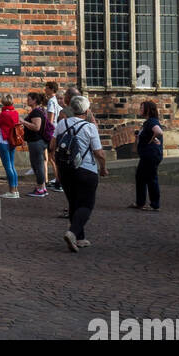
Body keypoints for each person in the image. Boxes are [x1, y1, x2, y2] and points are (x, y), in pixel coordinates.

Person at [54, 94, 107, 251]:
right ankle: (72, 233)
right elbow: (99, 153)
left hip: (66, 169)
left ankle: (80, 238)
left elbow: (53, 145)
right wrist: (103, 167)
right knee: (86, 204)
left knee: (73, 203)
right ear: (86, 110)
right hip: (86, 170)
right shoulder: (90, 127)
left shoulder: (62, 123)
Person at [129, 99, 164, 212]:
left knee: (150, 178)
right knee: (141, 177)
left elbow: (159, 132)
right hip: (147, 155)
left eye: (141, 108)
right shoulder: (148, 122)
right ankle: (141, 202)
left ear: (148, 110)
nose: (140, 109)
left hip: (151, 155)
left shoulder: (152, 121)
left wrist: (152, 139)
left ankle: (154, 204)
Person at [22, 91, 51, 196]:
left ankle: (40, 188)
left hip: (36, 142)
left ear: (34, 100)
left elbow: (36, 127)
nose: (27, 100)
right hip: (37, 141)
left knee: (37, 165)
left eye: (29, 99)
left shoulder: (36, 112)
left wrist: (23, 122)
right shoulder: (39, 111)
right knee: (38, 165)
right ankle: (42, 187)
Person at [0, 93, 21, 197]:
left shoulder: (3, 114)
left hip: (4, 141)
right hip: (12, 141)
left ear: (2, 102)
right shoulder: (15, 113)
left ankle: (12, 191)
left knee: (8, 166)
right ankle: (15, 189)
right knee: (12, 165)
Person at [44, 81, 63, 190]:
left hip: (52, 132)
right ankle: (57, 180)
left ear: (51, 89)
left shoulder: (51, 101)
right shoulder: (56, 101)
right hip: (57, 130)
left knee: (52, 158)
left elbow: (50, 120)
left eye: (46, 88)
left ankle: (58, 181)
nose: (45, 90)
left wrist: (47, 132)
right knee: (52, 158)